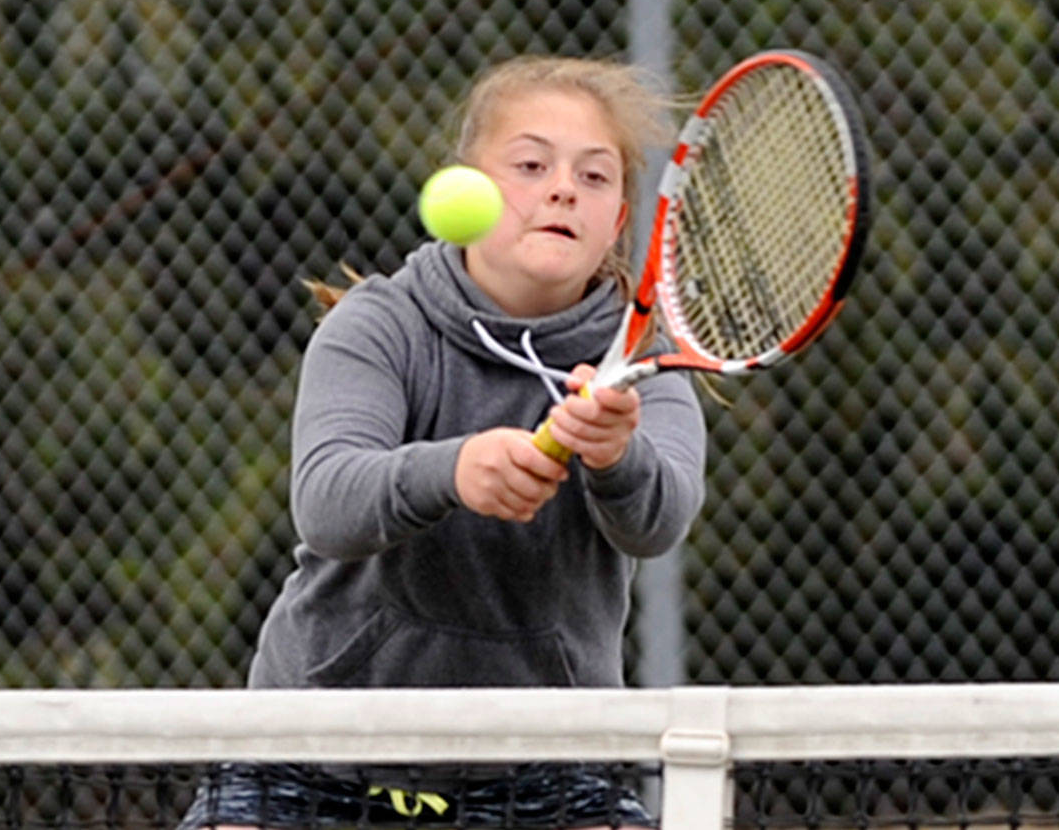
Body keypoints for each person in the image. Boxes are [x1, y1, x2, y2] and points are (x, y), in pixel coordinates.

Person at [181, 55, 707, 830]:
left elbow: (657, 523)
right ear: (468, 188)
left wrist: (612, 455)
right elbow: (327, 502)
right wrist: (453, 470)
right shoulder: (378, 326)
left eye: (594, 178)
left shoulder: (645, 368)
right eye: (531, 164)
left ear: (620, 222)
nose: (564, 188)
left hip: (549, 771)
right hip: (311, 751)